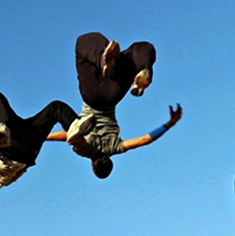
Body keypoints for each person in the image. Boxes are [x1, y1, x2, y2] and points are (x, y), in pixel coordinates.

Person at [68, 31, 180, 178]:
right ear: (92, 165)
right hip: (92, 97)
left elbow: (145, 140)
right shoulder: (87, 150)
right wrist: (44, 136)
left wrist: (170, 123)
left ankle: (142, 69)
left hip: (113, 96)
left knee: (142, 49)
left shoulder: (117, 148)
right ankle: (103, 60)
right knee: (83, 42)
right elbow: (70, 135)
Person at [0, 91, 78, 205]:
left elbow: (25, 167)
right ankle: (3, 128)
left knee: (55, 109)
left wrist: (39, 142)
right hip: (11, 142)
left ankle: (79, 129)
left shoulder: (4, 183)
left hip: (29, 149)